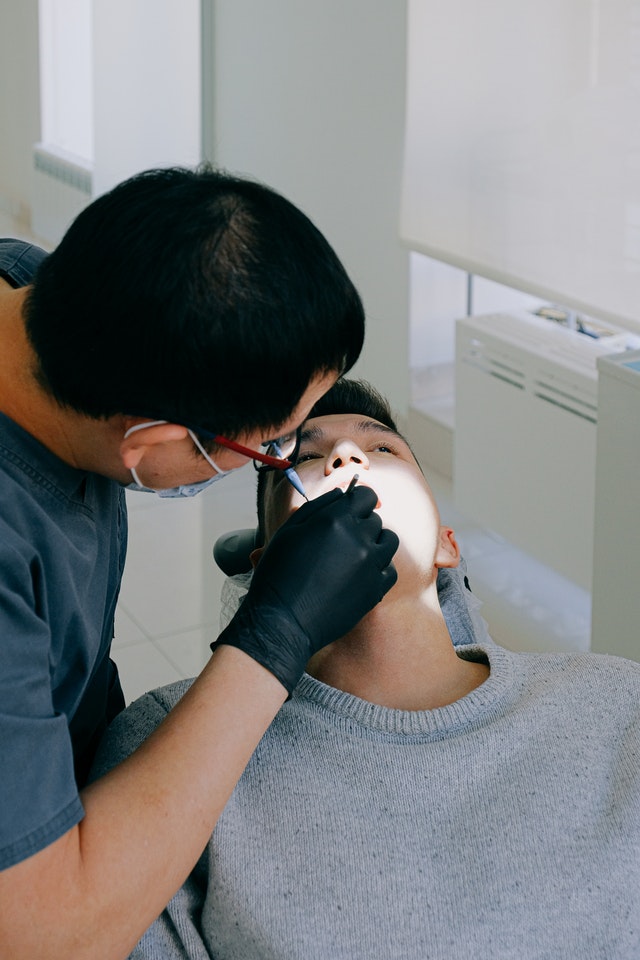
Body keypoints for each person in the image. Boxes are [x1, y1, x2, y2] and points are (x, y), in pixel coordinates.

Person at [92, 377, 640, 959]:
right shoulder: (169, 743)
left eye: (382, 449)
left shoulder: (616, 701)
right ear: (267, 562)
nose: (345, 457)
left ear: (447, 546)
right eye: (304, 456)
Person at [0, 170, 400, 960]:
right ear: (150, 446)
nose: (327, 458)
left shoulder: (42, 293)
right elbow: (45, 937)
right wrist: (273, 633)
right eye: (278, 447)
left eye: (383, 447)